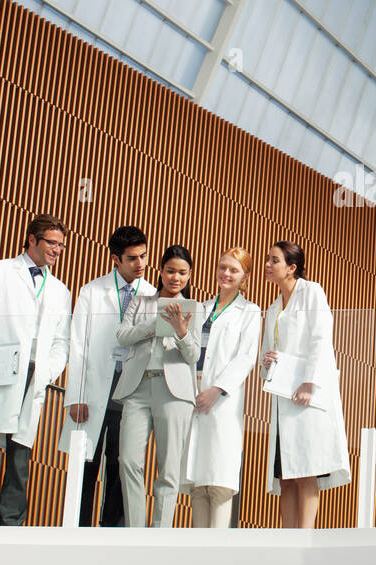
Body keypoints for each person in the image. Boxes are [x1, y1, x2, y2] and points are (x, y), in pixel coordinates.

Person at [0, 214, 72, 526]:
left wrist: (47, 374)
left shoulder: (61, 290)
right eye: (52, 243)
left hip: (33, 379)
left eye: (61, 245)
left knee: (19, 463)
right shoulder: (0, 270)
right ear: (32, 239)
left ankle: (11, 529)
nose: (57, 250)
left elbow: (62, 342)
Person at [57, 226, 152, 527]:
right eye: (132, 258)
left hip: (131, 391)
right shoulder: (92, 291)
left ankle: (113, 536)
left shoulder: (152, 294)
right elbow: (78, 346)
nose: (140, 264)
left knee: (121, 468)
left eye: (144, 256)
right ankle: (78, 534)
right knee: (86, 467)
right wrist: (76, 396)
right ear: (115, 259)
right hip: (96, 391)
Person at [260, 242, 351, 528]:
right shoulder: (274, 307)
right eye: (267, 259)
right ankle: (287, 537)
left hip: (306, 395)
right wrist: (268, 361)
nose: (267, 264)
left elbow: (320, 339)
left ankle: (306, 536)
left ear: (291, 268)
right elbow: (269, 351)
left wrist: (309, 382)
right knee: (285, 474)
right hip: (283, 395)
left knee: (305, 469)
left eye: (274, 260)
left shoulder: (312, 292)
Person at [112, 245, 200, 527]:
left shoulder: (193, 308)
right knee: (128, 460)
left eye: (182, 273)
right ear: (160, 271)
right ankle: (136, 531)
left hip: (175, 394)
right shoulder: (141, 302)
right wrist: (153, 325)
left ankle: (161, 533)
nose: (176, 278)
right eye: (170, 271)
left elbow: (193, 356)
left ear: (189, 276)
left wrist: (182, 331)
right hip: (137, 389)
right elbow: (123, 335)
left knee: (169, 469)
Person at [183, 248, 262, 528]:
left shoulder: (250, 312)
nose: (226, 274)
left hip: (222, 401)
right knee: (197, 483)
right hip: (191, 394)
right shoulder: (199, 308)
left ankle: (217, 552)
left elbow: (246, 357)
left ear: (245, 277)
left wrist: (216, 389)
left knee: (219, 480)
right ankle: (198, 554)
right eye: (222, 267)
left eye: (234, 270)